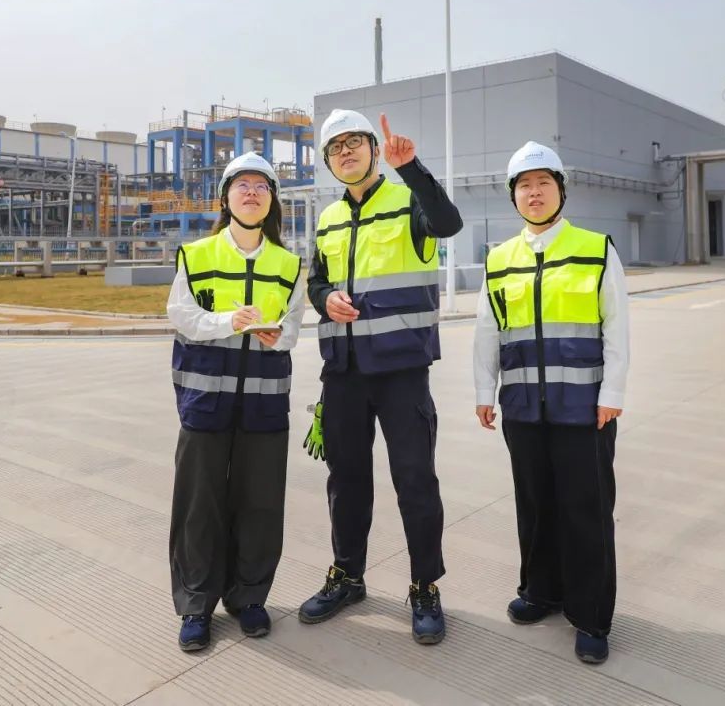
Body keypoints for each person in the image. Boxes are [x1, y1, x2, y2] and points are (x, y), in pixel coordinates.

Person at [298, 109, 463, 644]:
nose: (345, 152)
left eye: (354, 142)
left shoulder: (407, 200)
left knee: (415, 480)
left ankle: (424, 586)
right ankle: (348, 576)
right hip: (343, 371)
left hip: (401, 371)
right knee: (346, 481)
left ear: (374, 148)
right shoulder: (327, 219)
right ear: (329, 162)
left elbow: (448, 223)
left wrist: (411, 168)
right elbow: (315, 282)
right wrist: (326, 299)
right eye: (335, 147)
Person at [473, 141, 629, 664]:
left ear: (561, 190)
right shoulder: (499, 259)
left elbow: (617, 328)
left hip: (584, 408)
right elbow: (487, 331)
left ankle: (591, 616)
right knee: (535, 505)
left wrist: (613, 393)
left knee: (586, 511)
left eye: (543, 183)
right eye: (524, 185)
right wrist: (484, 391)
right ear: (513, 196)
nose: (534, 193)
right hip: (522, 408)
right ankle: (541, 591)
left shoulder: (595, 248)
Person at [166, 152, 305, 651]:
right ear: (225, 199)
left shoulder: (288, 264)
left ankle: (249, 598)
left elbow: (293, 326)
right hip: (205, 401)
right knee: (198, 506)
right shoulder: (198, 254)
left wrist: (277, 336)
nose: (251, 193)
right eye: (241, 185)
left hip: (264, 405)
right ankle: (195, 604)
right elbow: (180, 314)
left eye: (261, 186)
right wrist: (229, 321)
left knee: (260, 504)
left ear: (271, 201)